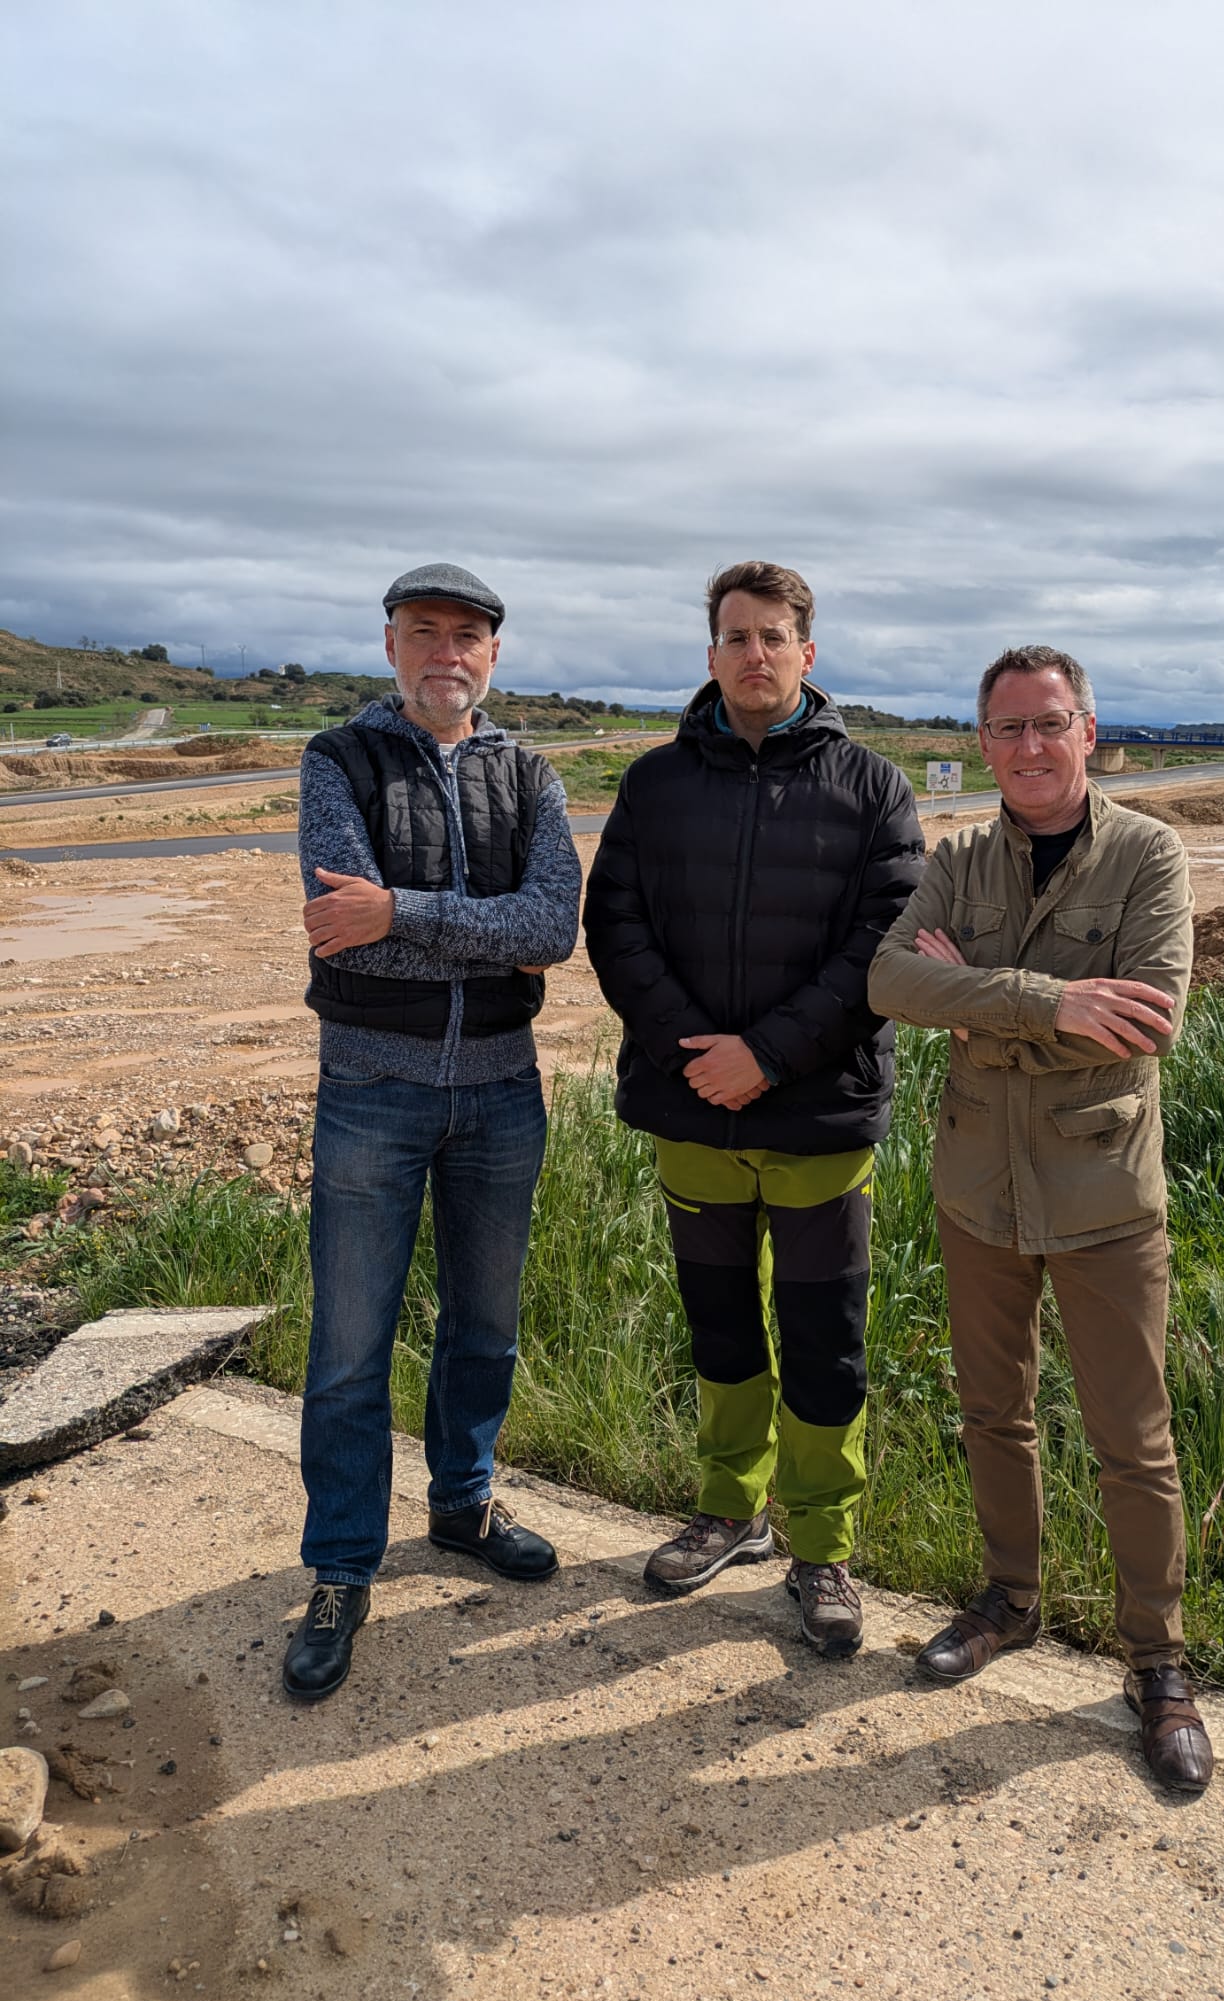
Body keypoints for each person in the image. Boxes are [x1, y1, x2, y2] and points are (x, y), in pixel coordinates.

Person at [866, 645, 1213, 1791]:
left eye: (1048, 723)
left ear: (1088, 730)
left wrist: (973, 1003)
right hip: (978, 1189)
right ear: (983, 740)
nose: (1027, 746)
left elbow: (1149, 1017)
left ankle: (1156, 1664)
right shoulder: (959, 857)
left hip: (1104, 1193)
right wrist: (1051, 998)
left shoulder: (1147, 853)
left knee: (1134, 1439)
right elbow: (887, 982)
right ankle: (1008, 1597)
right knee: (992, 1409)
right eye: (1006, 727)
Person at [583, 561, 924, 1656]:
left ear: (807, 653)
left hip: (817, 1117)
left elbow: (885, 940)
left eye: (774, 636)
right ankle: (732, 1511)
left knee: (825, 1340)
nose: (754, 653)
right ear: (711, 651)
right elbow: (616, 926)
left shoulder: (872, 787)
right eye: (735, 636)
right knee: (722, 1330)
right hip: (695, 1115)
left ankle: (821, 1545)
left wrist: (766, 1056)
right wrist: (702, 1057)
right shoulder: (654, 784)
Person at [283, 562, 581, 1703]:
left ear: (493, 654)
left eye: (467, 634)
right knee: (350, 1345)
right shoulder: (335, 761)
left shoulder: (530, 771)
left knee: (485, 1323)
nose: (445, 651)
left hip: (503, 1091)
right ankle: (342, 1566)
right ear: (391, 646)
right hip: (370, 1086)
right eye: (424, 631)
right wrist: (465, 931)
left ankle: (461, 1504)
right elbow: (336, 933)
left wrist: (400, 909)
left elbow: (551, 925)